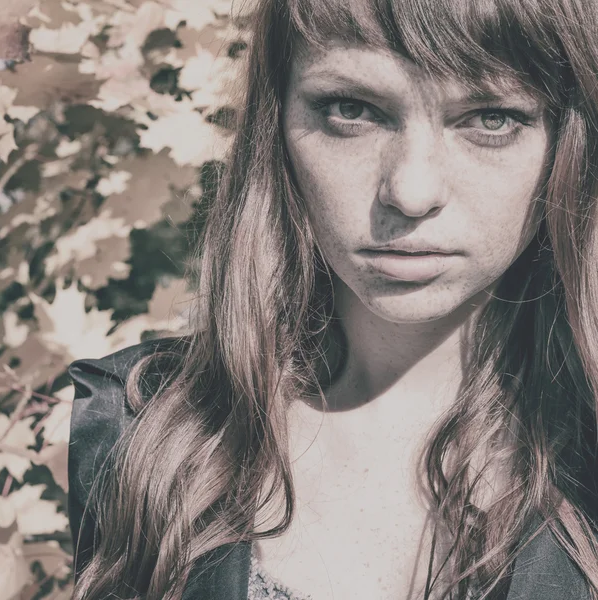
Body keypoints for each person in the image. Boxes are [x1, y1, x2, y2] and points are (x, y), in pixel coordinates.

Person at [66, 0, 598, 598]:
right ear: (277, 125)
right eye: (353, 110)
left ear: (569, 143)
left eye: (491, 118)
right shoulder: (142, 434)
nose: (412, 191)